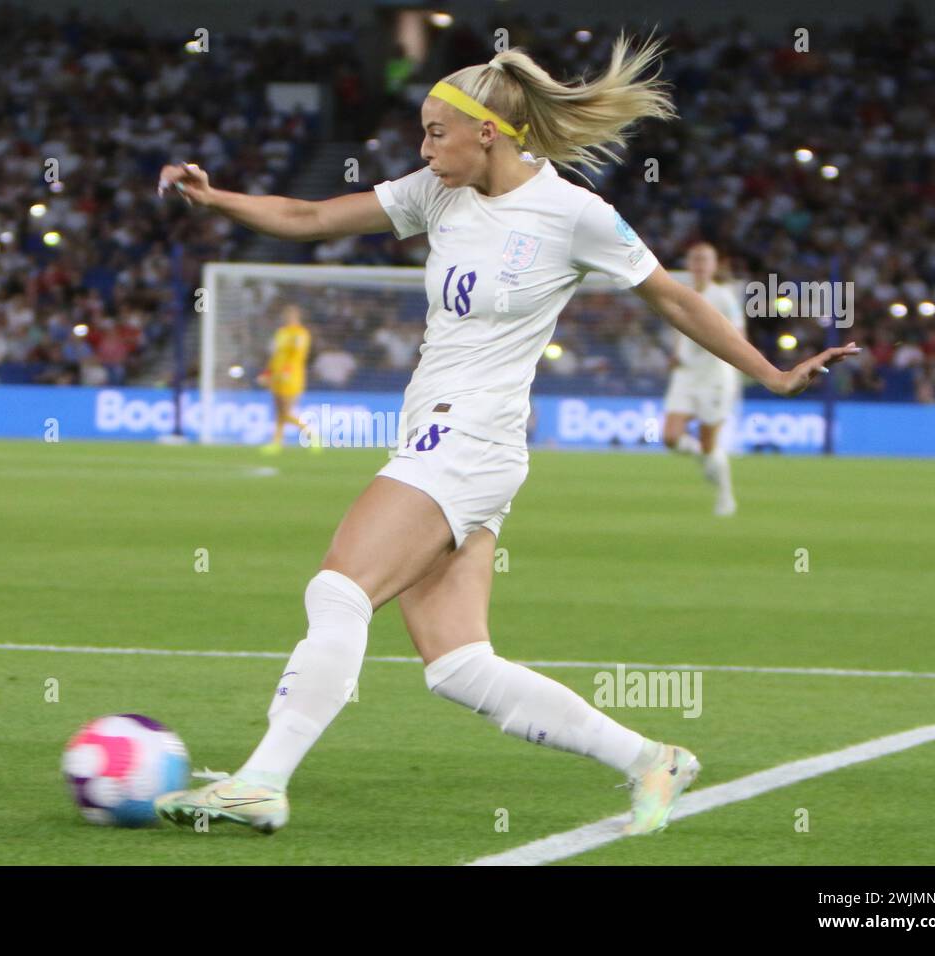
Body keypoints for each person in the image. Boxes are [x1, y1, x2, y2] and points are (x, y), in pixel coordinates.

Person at [154, 37, 859, 836]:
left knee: (340, 590)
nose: (423, 149)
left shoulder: (573, 214)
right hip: (447, 439)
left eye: (434, 133)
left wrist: (768, 372)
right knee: (459, 665)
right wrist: (219, 201)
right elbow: (311, 216)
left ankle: (262, 781)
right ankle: (650, 759)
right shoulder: (436, 193)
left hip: (469, 440)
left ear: (487, 132)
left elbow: (672, 297)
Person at [662, 242, 745, 515]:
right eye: (694, 260)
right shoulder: (681, 294)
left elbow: (738, 337)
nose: (699, 265)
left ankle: (725, 496)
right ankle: (705, 459)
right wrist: (677, 354)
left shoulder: (723, 297)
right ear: (689, 264)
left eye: (704, 260)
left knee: (711, 442)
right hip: (686, 373)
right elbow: (678, 329)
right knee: (670, 437)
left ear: (714, 266)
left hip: (715, 375)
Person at [257, 303, 319, 452]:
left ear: (297, 317)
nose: (287, 317)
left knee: (286, 411)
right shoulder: (281, 332)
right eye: (286, 315)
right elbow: (275, 355)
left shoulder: (301, 334)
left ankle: (311, 434)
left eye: (291, 315)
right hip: (277, 374)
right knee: (279, 410)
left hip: (292, 376)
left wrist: (286, 370)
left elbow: (297, 355)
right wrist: (267, 373)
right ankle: (277, 442)